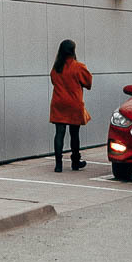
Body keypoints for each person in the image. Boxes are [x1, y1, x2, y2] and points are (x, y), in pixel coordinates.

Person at [49, 39, 93, 172]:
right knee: (74, 134)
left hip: (58, 102)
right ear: (73, 51)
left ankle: (58, 165)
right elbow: (88, 83)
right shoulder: (78, 67)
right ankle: (75, 162)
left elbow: (54, 81)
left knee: (59, 133)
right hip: (74, 103)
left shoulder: (56, 68)